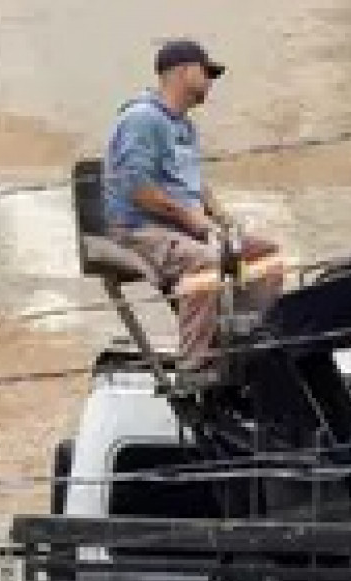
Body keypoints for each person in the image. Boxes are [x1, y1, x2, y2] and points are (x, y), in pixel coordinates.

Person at [102, 38, 285, 383]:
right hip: (139, 230)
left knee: (266, 255)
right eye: (206, 72)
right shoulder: (142, 119)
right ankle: (195, 365)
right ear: (183, 72)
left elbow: (194, 184)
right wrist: (191, 219)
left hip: (182, 228)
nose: (211, 81)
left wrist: (222, 218)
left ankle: (243, 344)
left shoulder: (183, 126)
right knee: (205, 261)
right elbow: (137, 188)